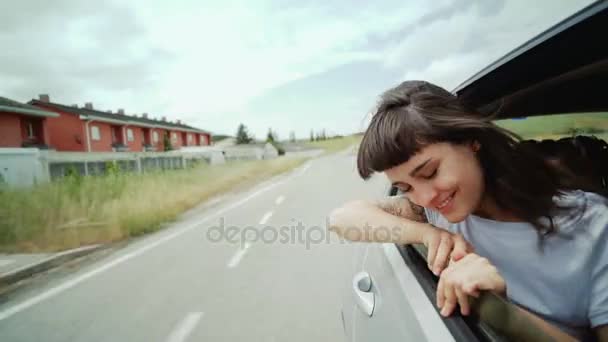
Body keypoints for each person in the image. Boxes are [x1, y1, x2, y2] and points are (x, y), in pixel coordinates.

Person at [328, 81, 608, 341]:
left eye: (430, 172)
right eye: (405, 187)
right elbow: (341, 219)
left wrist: (504, 314)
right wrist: (427, 235)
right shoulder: (434, 215)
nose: (424, 198)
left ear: (472, 141)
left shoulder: (595, 228)